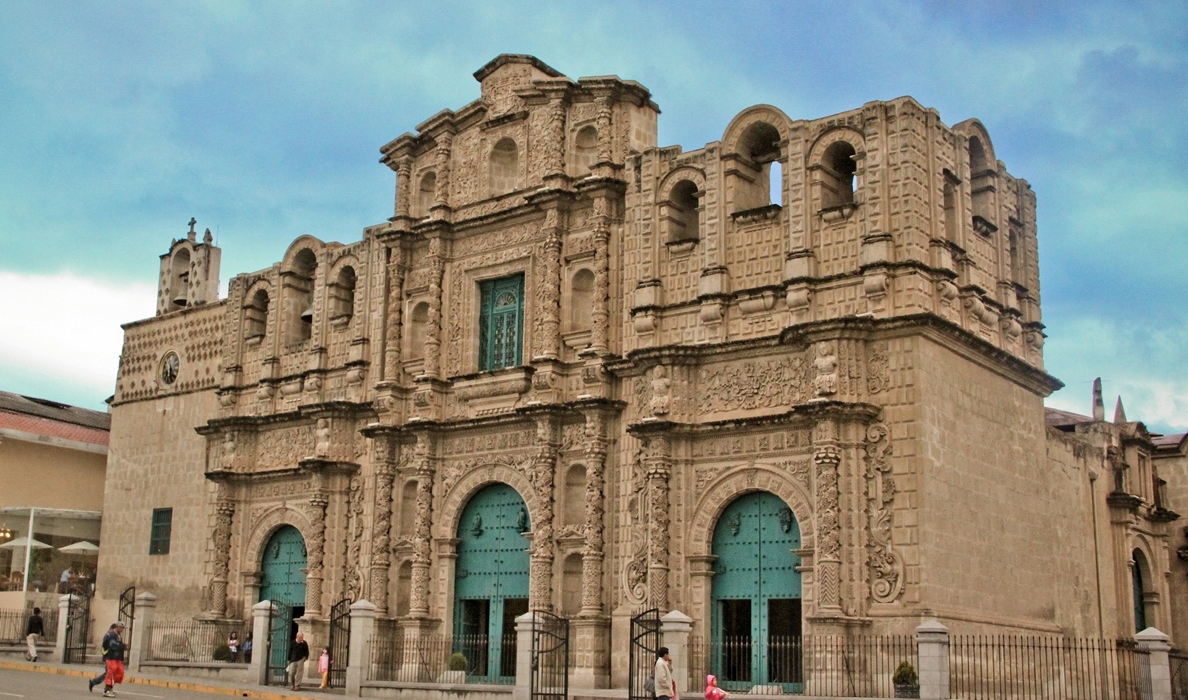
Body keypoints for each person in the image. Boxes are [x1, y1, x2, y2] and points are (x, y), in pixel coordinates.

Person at [89, 621, 125, 696]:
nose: (122, 630)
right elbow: (113, 645)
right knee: (110, 672)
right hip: (110, 657)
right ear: (117, 627)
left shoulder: (118, 635)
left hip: (115, 657)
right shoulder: (111, 635)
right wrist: (122, 646)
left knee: (113, 673)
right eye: (121, 628)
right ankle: (106, 689)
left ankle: (106, 687)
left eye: (123, 628)